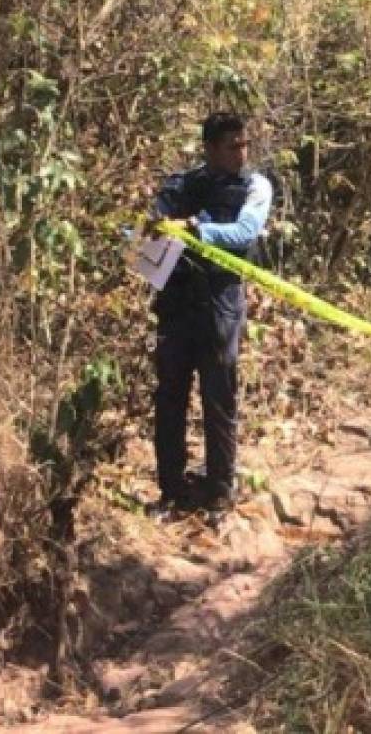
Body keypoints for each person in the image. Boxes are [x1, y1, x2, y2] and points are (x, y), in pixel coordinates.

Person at [147, 111, 273, 516]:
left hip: (221, 305)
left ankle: (220, 491)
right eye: (232, 146)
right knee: (170, 399)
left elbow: (245, 232)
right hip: (176, 305)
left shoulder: (256, 186)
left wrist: (197, 230)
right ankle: (171, 491)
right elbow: (144, 242)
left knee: (219, 399)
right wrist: (151, 233)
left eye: (244, 144)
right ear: (210, 149)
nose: (242, 153)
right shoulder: (179, 186)